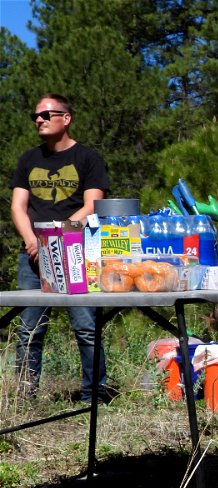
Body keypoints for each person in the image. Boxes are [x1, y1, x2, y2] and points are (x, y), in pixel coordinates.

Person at [9, 93, 110, 401]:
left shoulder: (87, 158)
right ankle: (24, 396)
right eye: (36, 116)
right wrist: (32, 241)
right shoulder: (29, 159)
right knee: (29, 330)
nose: (39, 119)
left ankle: (94, 395)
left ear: (65, 118)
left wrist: (57, 237)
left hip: (77, 252)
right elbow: (18, 206)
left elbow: (94, 205)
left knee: (86, 328)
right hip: (33, 256)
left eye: (46, 114)